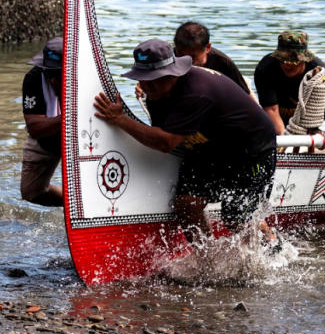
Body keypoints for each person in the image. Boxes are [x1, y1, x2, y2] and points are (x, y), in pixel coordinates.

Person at [94, 39, 278, 243]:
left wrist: (121, 120)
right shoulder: (155, 94)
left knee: (236, 217)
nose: (147, 86)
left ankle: (272, 248)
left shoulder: (197, 91)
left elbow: (166, 143)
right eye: (143, 79)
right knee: (186, 204)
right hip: (209, 147)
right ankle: (207, 259)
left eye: (153, 79)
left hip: (251, 151)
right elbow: (158, 131)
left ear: (173, 74)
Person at [253, 30, 325, 135]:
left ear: (304, 59)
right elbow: (272, 110)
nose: (288, 65)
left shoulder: (320, 71)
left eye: (293, 62)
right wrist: (283, 144)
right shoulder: (266, 69)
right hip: (280, 115)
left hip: (311, 120)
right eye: (283, 60)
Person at [20, 37, 64, 207]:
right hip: (48, 137)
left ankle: (86, 204)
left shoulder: (85, 77)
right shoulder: (34, 78)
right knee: (31, 192)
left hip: (82, 136)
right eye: (49, 71)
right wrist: (68, 116)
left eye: (57, 72)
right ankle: (73, 204)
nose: (51, 77)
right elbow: (35, 127)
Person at [174, 21, 251, 94]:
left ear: (208, 48)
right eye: (181, 55)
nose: (186, 61)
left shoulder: (223, 63)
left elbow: (244, 94)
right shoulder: (168, 59)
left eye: (193, 57)